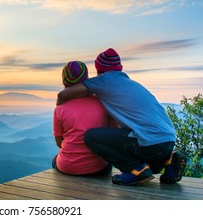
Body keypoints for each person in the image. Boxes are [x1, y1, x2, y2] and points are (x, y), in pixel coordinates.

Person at [57, 48, 186, 186]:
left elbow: (63, 95)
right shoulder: (130, 83)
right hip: (167, 141)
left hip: (149, 141)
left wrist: (59, 108)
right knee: (151, 168)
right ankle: (170, 160)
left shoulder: (104, 80)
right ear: (120, 68)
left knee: (91, 136)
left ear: (98, 69)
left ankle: (133, 170)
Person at [52, 61, 116, 176]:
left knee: (55, 160)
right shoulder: (102, 102)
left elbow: (59, 143)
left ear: (64, 80)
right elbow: (112, 132)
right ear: (86, 78)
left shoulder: (60, 108)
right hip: (98, 167)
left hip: (68, 167)